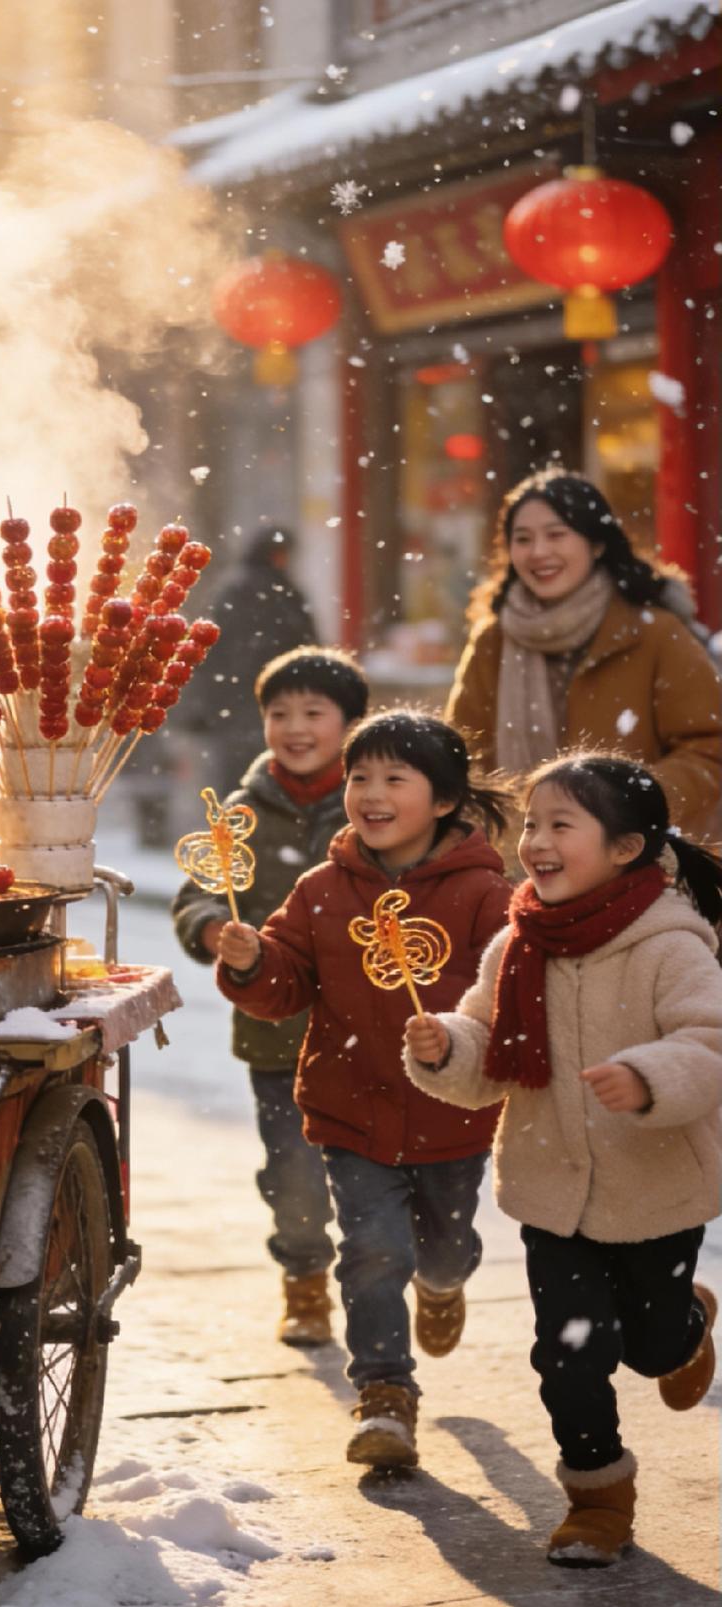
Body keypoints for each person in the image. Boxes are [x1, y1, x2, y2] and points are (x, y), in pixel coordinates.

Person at [404, 755, 722, 1568]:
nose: (536, 842)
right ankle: (596, 1496)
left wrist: (648, 1076)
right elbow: (486, 1045)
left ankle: (687, 1323)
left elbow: (710, 1041)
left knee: (651, 1345)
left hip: (656, 1190)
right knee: (568, 1351)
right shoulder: (518, 943)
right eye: (533, 824)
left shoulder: (673, 945)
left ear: (625, 848)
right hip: (551, 1190)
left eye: (561, 825)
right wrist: (447, 1045)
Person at [214, 710, 513, 1469]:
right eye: (359, 777)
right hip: (350, 1109)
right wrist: (253, 962)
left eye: (393, 779)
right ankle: (384, 1395)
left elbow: (508, 999)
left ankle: (443, 1286)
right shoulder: (321, 889)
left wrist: (456, 1040)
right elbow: (286, 984)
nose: (371, 794)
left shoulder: (486, 893)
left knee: (442, 1252)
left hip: (451, 1117)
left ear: (444, 800)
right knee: (372, 1251)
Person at [172, 646, 368, 1347]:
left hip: (371, 1035)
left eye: (314, 712)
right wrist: (211, 928)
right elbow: (196, 895)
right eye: (279, 713)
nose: (296, 727)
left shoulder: (378, 805)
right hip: (276, 1032)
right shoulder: (241, 812)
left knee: (379, 1178)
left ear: (351, 723)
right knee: (294, 1172)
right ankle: (306, 1281)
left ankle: (390, 1281)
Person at [447, 468, 722, 841]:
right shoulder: (493, 640)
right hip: (520, 857)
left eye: (556, 534)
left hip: (635, 855)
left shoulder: (655, 633)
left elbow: (709, 748)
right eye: (523, 538)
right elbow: (460, 759)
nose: (539, 552)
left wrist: (625, 806)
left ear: (597, 544)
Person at [178, 523, 317, 799]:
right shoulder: (285, 593)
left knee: (236, 783)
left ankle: (234, 823)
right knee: (273, 778)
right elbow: (308, 647)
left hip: (233, 704)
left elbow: (205, 650)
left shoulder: (230, 591)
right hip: (274, 702)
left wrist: (199, 705)